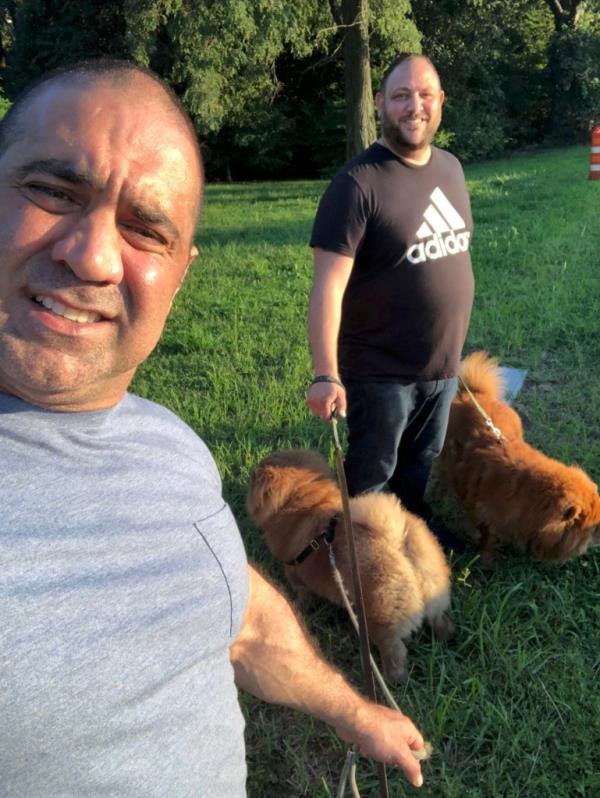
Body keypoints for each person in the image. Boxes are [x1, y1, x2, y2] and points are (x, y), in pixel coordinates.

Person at [0, 59, 427, 797]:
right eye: (52, 190)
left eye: (146, 229)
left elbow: (242, 618)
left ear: (181, 273)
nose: (94, 255)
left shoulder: (174, 444)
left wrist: (356, 713)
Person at [307, 53, 474, 547]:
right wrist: (325, 372)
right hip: (380, 374)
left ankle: (414, 533)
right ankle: (364, 560)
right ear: (380, 103)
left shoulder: (451, 169)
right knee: (372, 477)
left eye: (424, 95)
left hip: (440, 367)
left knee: (419, 467)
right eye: (401, 95)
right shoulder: (357, 185)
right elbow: (327, 287)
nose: (413, 106)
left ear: (441, 101)